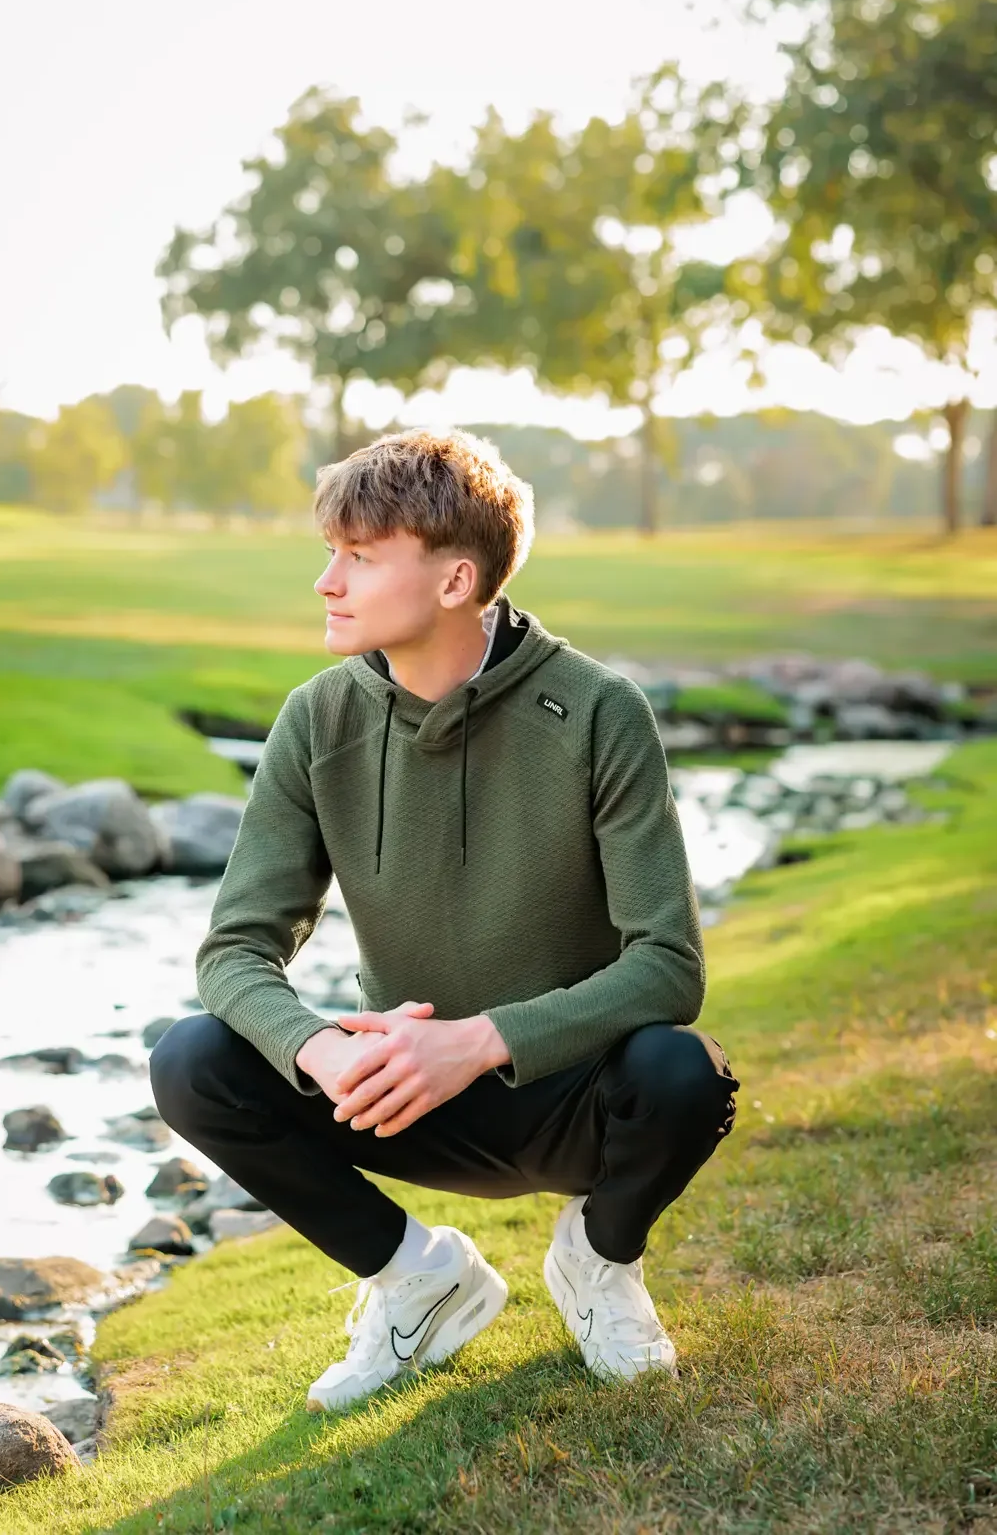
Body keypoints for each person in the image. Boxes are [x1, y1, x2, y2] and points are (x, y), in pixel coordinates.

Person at [150, 428, 739, 1413]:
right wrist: (317, 1053)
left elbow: (668, 964)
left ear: (456, 578)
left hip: (565, 1094)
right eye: (330, 550)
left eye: (360, 556)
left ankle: (597, 1261)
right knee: (192, 1058)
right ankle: (418, 1277)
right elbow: (235, 949)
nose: (325, 580)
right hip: (397, 1094)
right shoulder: (315, 719)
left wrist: (480, 1041)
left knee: (685, 1071)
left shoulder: (599, 711)